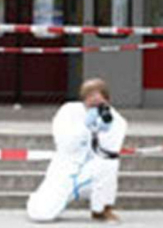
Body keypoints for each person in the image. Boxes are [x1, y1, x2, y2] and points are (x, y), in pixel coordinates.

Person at [26, 78, 128, 223]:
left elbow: (109, 152)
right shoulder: (68, 111)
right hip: (65, 171)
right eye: (89, 97)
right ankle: (38, 199)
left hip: (91, 173)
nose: (93, 103)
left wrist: (105, 128)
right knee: (41, 214)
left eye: (98, 99)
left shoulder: (115, 120)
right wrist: (85, 127)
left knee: (109, 165)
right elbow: (65, 143)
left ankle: (101, 209)